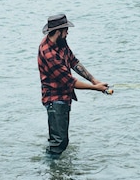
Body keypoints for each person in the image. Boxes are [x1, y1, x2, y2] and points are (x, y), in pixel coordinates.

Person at [37, 14, 109, 156]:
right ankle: (53, 174)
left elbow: (73, 61)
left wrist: (94, 80)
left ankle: (57, 174)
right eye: (66, 30)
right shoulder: (48, 53)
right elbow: (70, 82)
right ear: (58, 31)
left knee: (61, 140)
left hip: (63, 98)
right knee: (59, 142)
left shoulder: (60, 42)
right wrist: (96, 88)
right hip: (54, 99)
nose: (68, 32)